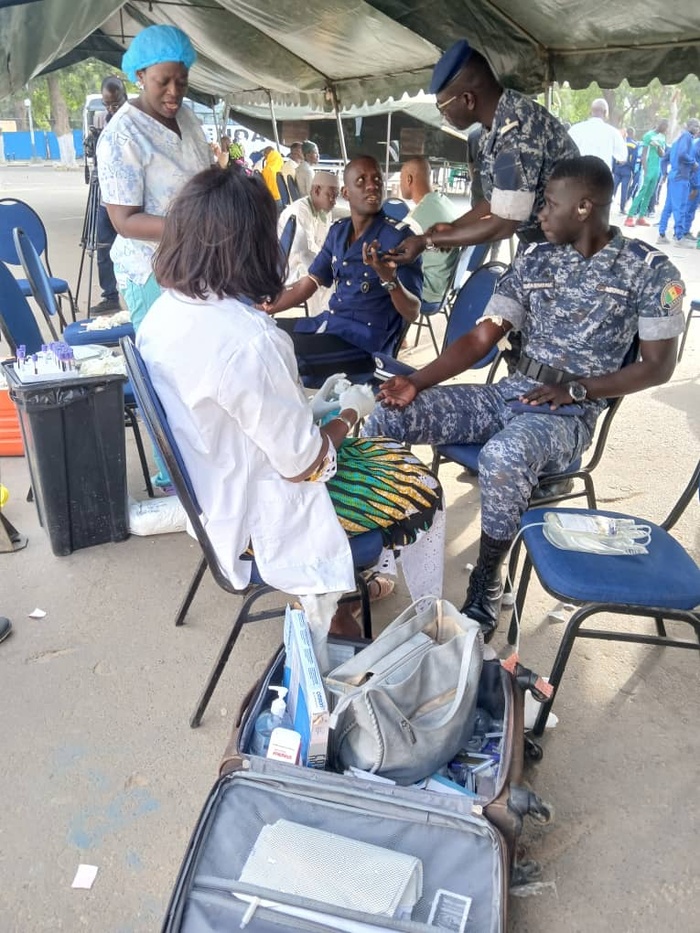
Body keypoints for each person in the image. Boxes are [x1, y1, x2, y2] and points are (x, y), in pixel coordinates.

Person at [365, 156, 684, 641]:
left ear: (583, 206)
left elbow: (659, 366)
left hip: (568, 412)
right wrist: (418, 382)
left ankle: (487, 579)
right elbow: (480, 339)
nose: (540, 215)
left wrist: (578, 389)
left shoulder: (650, 271)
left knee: (505, 455)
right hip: (508, 392)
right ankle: (382, 551)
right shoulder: (534, 259)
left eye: (550, 205)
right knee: (386, 415)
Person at [138, 165, 443, 643]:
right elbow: (307, 466)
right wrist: (348, 413)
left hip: (209, 495)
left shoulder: (164, 312)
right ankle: (424, 621)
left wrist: (309, 409)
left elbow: (233, 413)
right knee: (421, 483)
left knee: (357, 447)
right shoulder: (250, 341)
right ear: (255, 243)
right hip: (258, 516)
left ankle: (343, 594)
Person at [389, 39, 578, 265]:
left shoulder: (516, 131)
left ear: (468, 99)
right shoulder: (494, 125)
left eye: (442, 106)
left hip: (566, 255)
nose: (443, 115)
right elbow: (495, 200)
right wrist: (454, 227)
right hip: (539, 246)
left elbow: (503, 223)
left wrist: (429, 241)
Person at [97, 24, 227, 333]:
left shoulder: (188, 118)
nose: (174, 91)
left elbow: (206, 175)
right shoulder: (122, 136)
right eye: (163, 81)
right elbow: (124, 222)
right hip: (151, 271)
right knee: (166, 365)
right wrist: (194, 228)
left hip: (198, 263)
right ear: (140, 75)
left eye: (181, 81)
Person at [260, 155, 422, 382]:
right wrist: (265, 308)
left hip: (364, 346)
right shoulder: (339, 232)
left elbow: (413, 311)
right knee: (258, 334)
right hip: (330, 326)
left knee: (277, 354)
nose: (372, 185)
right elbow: (310, 282)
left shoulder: (399, 238)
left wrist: (389, 280)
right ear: (346, 193)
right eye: (361, 181)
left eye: (377, 179)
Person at [89, 76, 128, 315]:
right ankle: (110, 296)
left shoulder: (134, 121)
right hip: (106, 198)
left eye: (116, 103)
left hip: (129, 201)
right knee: (103, 248)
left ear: (125, 97)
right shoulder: (103, 121)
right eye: (107, 104)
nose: (111, 109)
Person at [277, 170, 339, 315]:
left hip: (304, 259)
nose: (334, 201)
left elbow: (325, 242)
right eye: (331, 195)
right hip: (289, 266)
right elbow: (305, 252)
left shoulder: (323, 210)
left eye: (336, 197)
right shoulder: (299, 212)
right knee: (325, 277)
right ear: (317, 190)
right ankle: (321, 319)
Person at [400, 156, 459, 305]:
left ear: (408, 179)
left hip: (428, 291)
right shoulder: (444, 201)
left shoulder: (415, 219)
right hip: (447, 285)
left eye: (401, 178)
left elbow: (395, 253)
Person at [657, 118, 700, 246]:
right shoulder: (687, 137)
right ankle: (679, 237)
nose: (697, 129)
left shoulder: (677, 140)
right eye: (696, 126)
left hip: (673, 176)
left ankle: (662, 234)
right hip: (681, 177)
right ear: (689, 126)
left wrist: (664, 173)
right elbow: (682, 154)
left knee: (668, 207)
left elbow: (664, 158)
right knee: (680, 207)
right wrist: (693, 163)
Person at [624, 118, 669, 227]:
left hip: (656, 169)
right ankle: (629, 216)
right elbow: (643, 154)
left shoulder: (662, 137)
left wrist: (658, 146)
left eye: (666, 127)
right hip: (648, 167)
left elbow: (662, 154)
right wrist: (645, 169)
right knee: (642, 192)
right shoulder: (649, 135)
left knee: (650, 193)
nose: (665, 128)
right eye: (663, 125)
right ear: (658, 124)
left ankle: (641, 217)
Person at [568, 98, 627, 170]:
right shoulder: (613, 132)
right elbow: (622, 157)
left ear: (591, 111)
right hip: (602, 177)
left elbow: (565, 154)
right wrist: (623, 139)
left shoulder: (575, 129)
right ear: (605, 112)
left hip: (579, 175)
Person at [612, 126, 638, 213]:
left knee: (613, 189)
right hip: (627, 170)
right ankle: (622, 209)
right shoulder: (634, 144)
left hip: (618, 168)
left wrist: (614, 167)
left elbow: (614, 155)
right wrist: (633, 170)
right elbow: (633, 159)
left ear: (626, 133)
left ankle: (607, 206)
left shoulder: (620, 142)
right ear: (633, 134)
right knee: (624, 190)